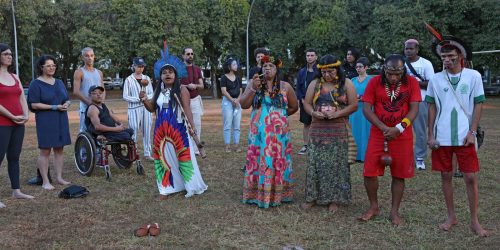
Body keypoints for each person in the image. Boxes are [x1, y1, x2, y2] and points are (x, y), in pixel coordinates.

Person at [425, 34, 488, 237]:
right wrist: (430, 135)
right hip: (441, 136)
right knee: (446, 175)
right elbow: (432, 107)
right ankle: (451, 216)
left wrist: (472, 132)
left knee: (470, 177)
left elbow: (478, 103)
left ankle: (474, 221)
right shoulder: (435, 79)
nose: (447, 60)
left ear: (460, 56)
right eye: (443, 56)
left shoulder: (474, 76)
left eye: (451, 56)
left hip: (464, 136)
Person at [358, 54, 420, 225]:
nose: (393, 77)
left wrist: (399, 128)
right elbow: (366, 109)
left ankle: (394, 212)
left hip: (402, 135)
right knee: (369, 172)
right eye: (390, 73)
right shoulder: (374, 82)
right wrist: (383, 127)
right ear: (384, 70)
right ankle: (373, 206)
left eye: (398, 74)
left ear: (403, 71)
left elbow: (414, 110)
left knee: (399, 174)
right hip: (379, 134)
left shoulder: (412, 83)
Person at [141, 46, 207, 198]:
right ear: (160, 76)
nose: (167, 75)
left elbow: (187, 110)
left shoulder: (182, 89)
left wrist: (192, 128)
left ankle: (190, 185)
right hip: (161, 133)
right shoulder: (159, 89)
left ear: (176, 74)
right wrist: (144, 99)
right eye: (164, 73)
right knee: (163, 158)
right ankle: (167, 188)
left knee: (183, 158)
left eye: (170, 72)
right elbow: (152, 108)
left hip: (178, 130)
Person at [239, 53, 298, 208]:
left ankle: (278, 193)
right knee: (259, 158)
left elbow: (293, 106)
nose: (267, 69)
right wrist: (253, 88)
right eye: (264, 66)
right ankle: (257, 193)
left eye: (271, 66)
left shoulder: (285, 86)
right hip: (258, 132)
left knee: (278, 160)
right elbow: (243, 104)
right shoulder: (255, 84)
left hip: (279, 134)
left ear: (277, 69)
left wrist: (280, 117)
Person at [301, 54, 358, 212]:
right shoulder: (315, 83)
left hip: (338, 129)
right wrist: (313, 113)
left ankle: (334, 199)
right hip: (317, 129)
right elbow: (306, 103)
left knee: (336, 165)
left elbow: (354, 105)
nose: (327, 75)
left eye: (331, 72)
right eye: (324, 72)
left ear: (338, 70)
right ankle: (312, 197)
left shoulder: (346, 83)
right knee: (314, 163)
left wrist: (337, 114)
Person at [27, 55, 72, 190]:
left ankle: (59, 177)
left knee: (59, 149)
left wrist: (67, 104)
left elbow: (67, 98)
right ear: (41, 67)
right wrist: (54, 107)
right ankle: (45, 181)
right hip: (46, 120)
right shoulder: (36, 83)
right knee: (45, 151)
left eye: (53, 65)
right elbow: (34, 104)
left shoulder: (59, 82)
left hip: (61, 119)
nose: (52, 68)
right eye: (48, 65)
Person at [0, 43, 34, 208]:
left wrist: (25, 115)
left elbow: (22, 97)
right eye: (5, 54)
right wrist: (12, 116)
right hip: (2, 123)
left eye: (10, 54)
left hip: (18, 123)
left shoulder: (15, 77)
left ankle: (16, 190)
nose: (9, 56)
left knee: (14, 156)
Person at [404, 39, 435, 170]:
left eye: (411, 48)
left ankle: (420, 158)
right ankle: (403, 157)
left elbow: (431, 83)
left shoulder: (426, 63)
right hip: (402, 101)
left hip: (420, 101)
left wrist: (413, 83)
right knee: (402, 130)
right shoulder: (401, 63)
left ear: (417, 49)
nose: (408, 51)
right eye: (406, 48)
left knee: (420, 131)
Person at [123, 57, 154, 160]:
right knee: (133, 130)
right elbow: (125, 96)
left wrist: (145, 98)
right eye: (138, 66)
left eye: (142, 66)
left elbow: (151, 93)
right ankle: (132, 153)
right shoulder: (129, 79)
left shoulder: (147, 78)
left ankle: (147, 153)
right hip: (133, 108)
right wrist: (138, 98)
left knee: (147, 130)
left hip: (146, 108)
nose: (140, 68)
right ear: (133, 66)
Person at [180, 47, 204, 155]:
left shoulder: (197, 69)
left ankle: (196, 149)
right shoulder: (178, 69)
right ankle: (185, 147)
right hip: (182, 101)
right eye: (188, 54)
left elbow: (202, 85)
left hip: (195, 100)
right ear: (183, 55)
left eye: (192, 54)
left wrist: (195, 85)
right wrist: (186, 86)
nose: (190, 55)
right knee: (183, 124)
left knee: (197, 124)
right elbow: (176, 85)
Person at [73, 47, 104, 133]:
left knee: (99, 131)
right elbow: (76, 91)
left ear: (94, 57)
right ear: (83, 58)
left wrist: (101, 103)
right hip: (86, 107)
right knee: (85, 132)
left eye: (91, 55)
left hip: (99, 107)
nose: (89, 58)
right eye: (87, 56)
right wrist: (91, 104)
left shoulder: (99, 72)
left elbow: (103, 89)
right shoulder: (79, 72)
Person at [295, 49, 319, 155]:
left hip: (318, 102)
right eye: (308, 55)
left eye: (312, 55)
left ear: (316, 57)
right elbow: (298, 87)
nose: (309, 57)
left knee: (318, 123)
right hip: (304, 102)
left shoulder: (319, 71)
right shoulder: (302, 72)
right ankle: (306, 145)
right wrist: (302, 99)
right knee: (306, 124)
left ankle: (316, 145)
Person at [349, 57, 373, 162]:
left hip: (366, 110)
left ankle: (365, 155)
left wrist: (363, 97)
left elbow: (374, 94)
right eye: (356, 67)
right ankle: (354, 155)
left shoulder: (371, 80)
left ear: (366, 67)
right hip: (354, 110)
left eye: (360, 67)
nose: (358, 69)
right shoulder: (352, 80)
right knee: (354, 131)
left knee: (366, 131)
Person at [220, 57, 243, 153]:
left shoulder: (238, 78)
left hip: (237, 102)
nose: (236, 66)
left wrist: (237, 100)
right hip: (227, 102)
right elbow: (223, 91)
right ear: (229, 67)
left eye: (236, 64)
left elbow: (241, 90)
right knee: (227, 124)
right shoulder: (223, 77)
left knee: (237, 125)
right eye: (234, 64)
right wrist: (232, 100)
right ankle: (227, 145)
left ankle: (236, 145)